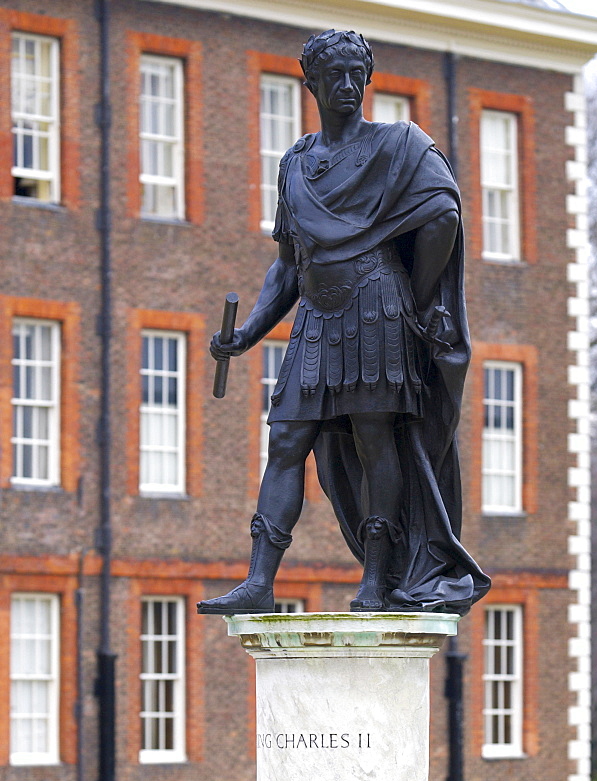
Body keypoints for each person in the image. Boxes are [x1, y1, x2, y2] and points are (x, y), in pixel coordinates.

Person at [198, 29, 490, 617]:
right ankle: (259, 579)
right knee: (286, 438)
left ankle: (377, 579)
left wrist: (423, 296)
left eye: (358, 73)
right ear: (311, 83)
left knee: (374, 438)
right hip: (314, 316)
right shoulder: (296, 163)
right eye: (335, 75)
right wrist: (249, 333)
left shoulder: (398, 145)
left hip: (377, 307)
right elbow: (286, 266)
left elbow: (443, 215)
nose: (349, 85)